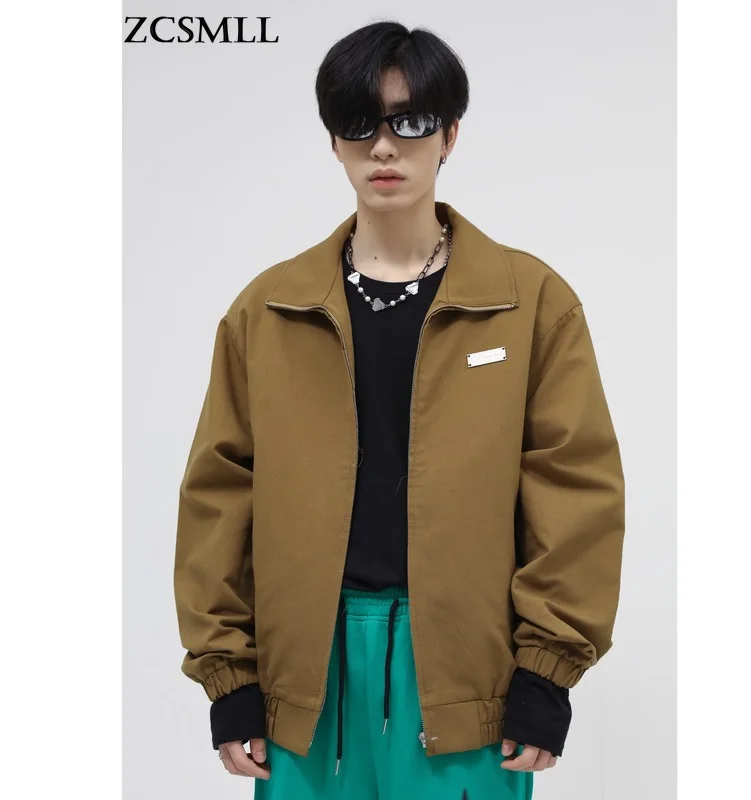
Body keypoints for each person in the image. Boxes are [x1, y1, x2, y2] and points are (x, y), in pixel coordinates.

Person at [173, 19, 625, 800]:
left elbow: (575, 487)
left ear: (450, 135)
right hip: (305, 673)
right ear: (334, 140)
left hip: (465, 672)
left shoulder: (529, 303)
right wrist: (229, 675)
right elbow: (219, 494)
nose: (384, 147)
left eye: (410, 122)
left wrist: (546, 671)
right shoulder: (269, 310)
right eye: (360, 123)